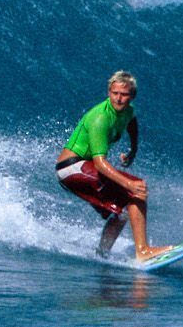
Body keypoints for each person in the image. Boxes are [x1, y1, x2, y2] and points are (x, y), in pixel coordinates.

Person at [55, 71, 170, 260]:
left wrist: (133, 149)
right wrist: (128, 184)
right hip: (71, 168)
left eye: (124, 94)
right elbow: (100, 164)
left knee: (125, 209)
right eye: (114, 93)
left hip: (83, 166)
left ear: (132, 96)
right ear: (109, 92)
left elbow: (131, 122)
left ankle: (102, 254)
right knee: (135, 190)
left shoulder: (128, 110)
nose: (118, 98)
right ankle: (143, 251)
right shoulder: (100, 118)